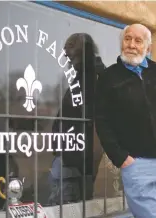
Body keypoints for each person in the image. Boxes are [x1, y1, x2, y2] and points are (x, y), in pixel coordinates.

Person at [95, 23, 156, 218]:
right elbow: (102, 120)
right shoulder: (109, 77)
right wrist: (121, 158)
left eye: (138, 41)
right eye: (127, 39)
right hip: (137, 165)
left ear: (148, 48)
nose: (131, 44)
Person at [48, 33, 106, 205]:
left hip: (76, 163)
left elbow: (98, 123)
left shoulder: (93, 78)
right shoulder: (80, 77)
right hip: (69, 159)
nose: (65, 51)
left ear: (85, 49)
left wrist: (92, 165)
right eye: (65, 46)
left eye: (71, 45)